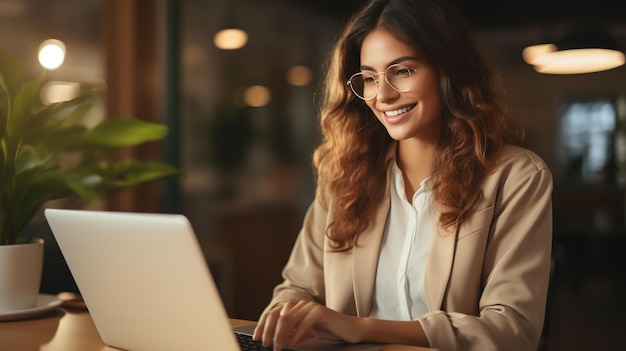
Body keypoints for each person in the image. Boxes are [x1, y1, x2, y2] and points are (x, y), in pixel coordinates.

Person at [253, 0, 553, 350]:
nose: (383, 95)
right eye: (368, 78)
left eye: (403, 71)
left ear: (448, 70)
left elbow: (510, 331)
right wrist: (287, 315)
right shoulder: (345, 178)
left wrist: (362, 328)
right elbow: (297, 289)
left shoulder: (516, 177)